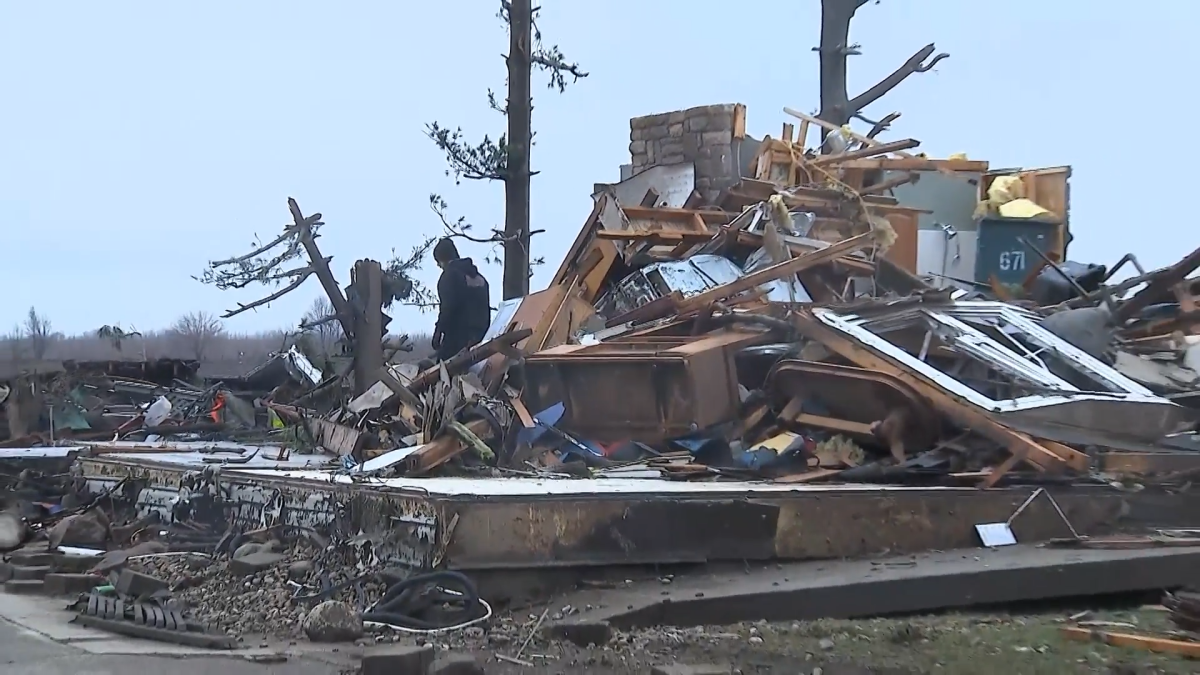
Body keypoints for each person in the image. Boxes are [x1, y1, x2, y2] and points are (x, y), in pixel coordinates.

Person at [430, 238, 491, 362]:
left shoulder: (449, 277)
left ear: (442, 259)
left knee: (444, 374)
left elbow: (447, 308)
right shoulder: (481, 279)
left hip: (456, 339)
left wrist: (438, 331)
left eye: (438, 261)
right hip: (481, 337)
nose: (438, 265)